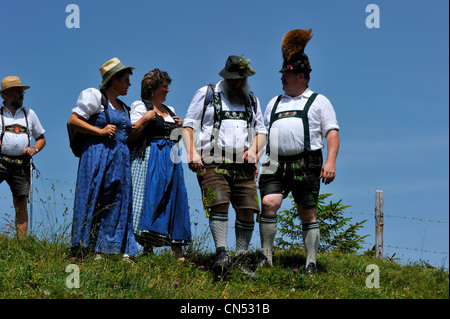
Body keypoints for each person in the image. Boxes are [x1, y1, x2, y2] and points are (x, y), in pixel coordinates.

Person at [258, 29, 340, 273]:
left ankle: (311, 263)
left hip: (308, 161)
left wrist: (331, 162)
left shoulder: (319, 101)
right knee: (268, 202)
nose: (282, 78)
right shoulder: (274, 102)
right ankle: (266, 258)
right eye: (283, 74)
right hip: (273, 161)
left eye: (287, 74)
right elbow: (262, 134)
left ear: (302, 76)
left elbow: (332, 134)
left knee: (307, 212)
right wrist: (255, 160)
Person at [183, 55, 267, 279]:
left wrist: (254, 151)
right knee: (218, 202)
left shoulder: (251, 98)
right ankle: (222, 253)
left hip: (244, 164)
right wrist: (191, 152)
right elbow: (188, 125)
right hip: (212, 161)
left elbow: (262, 132)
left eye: (242, 79)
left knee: (248, 209)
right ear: (226, 77)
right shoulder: (207, 94)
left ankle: (241, 257)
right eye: (235, 79)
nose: (239, 83)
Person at [68, 57, 138, 259]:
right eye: (126, 80)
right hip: (97, 153)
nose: (129, 84)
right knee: (94, 195)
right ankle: (84, 246)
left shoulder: (124, 107)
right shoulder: (95, 97)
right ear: (114, 80)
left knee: (116, 199)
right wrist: (99, 131)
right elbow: (73, 120)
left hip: (119, 157)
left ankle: (108, 248)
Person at [129, 68, 191, 260]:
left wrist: (179, 129)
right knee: (149, 201)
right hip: (149, 158)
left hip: (171, 161)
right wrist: (145, 119)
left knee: (173, 201)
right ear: (153, 88)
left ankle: (178, 253)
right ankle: (144, 250)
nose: (167, 90)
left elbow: (175, 140)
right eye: (164, 86)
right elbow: (130, 134)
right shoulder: (141, 107)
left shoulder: (170, 111)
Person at [0, 76, 46, 238]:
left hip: (22, 163)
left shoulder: (29, 114)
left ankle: (21, 243)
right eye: (18, 92)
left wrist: (34, 149)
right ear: (5, 95)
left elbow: (41, 138)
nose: (21, 95)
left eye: (22, 92)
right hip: (0, 161)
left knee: (21, 203)